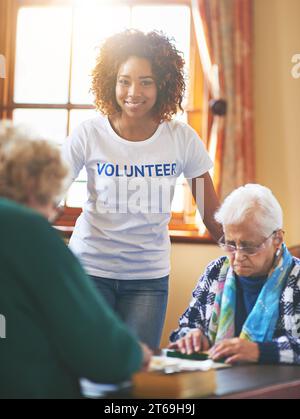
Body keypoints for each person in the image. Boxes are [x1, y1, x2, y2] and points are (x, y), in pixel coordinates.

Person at [62, 29, 222, 349]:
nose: (134, 91)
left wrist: (241, 250)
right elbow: (47, 195)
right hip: (89, 270)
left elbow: (209, 209)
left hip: (148, 280)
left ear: (163, 84)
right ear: (111, 81)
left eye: (146, 81)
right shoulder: (88, 133)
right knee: (88, 369)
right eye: (124, 80)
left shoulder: (181, 137)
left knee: (138, 373)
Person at [0, 125, 151, 399]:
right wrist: (135, 353)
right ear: (34, 187)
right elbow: (101, 354)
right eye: (51, 202)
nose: (52, 214)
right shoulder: (28, 230)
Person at [169, 184, 300, 365]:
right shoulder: (215, 272)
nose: (238, 256)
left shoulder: (296, 278)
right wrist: (192, 336)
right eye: (230, 244)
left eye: (249, 246)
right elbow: (185, 327)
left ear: (277, 239)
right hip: (221, 382)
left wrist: (258, 350)